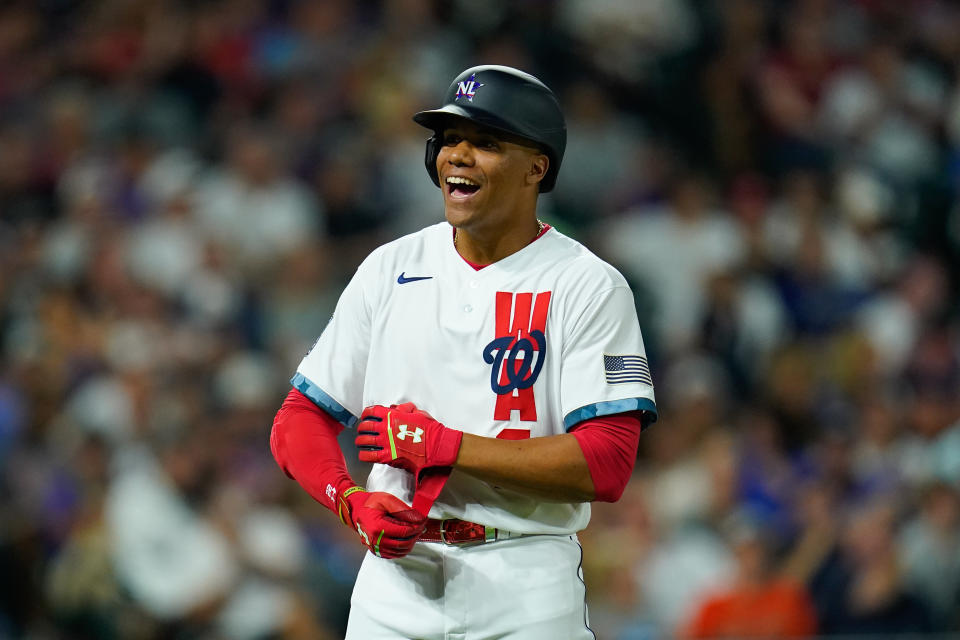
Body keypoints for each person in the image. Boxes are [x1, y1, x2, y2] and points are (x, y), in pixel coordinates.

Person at [270, 64, 658, 639]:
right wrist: (353, 502)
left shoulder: (586, 284)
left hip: (524, 578)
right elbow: (298, 420)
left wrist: (447, 447)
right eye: (450, 140)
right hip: (393, 585)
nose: (458, 155)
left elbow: (606, 461)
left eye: (487, 142)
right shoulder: (390, 268)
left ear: (536, 167)